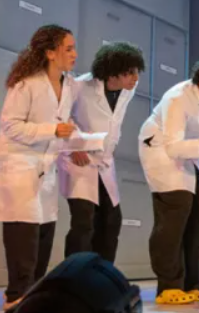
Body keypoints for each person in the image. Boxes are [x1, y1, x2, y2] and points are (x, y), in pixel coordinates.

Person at [0, 24, 105, 311]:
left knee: (44, 229)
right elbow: (10, 126)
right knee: (24, 230)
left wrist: (76, 140)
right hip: (19, 161)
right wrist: (52, 130)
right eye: (68, 48)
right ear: (50, 53)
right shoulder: (26, 84)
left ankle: (33, 293)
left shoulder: (70, 85)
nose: (75, 54)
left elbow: (62, 122)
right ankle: (15, 295)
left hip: (45, 163)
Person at [138, 56, 199, 305]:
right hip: (161, 150)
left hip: (190, 151)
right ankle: (168, 286)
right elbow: (173, 146)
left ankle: (191, 284)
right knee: (174, 212)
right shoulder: (177, 98)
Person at [60, 41, 146, 263]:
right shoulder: (80, 86)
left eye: (137, 72)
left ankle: (102, 275)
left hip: (104, 162)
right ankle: (74, 276)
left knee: (111, 221)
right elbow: (60, 116)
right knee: (84, 221)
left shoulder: (127, 90)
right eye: (130, 72)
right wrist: (74, 145)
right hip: (79, 160)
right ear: (112, 71)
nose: (135, 78)